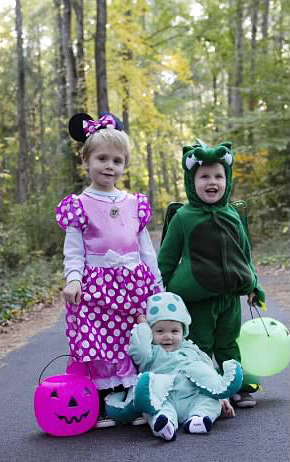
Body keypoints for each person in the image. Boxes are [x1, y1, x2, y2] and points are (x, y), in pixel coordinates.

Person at [55, 112, 163, 428]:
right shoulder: (79, 204)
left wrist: (157, 285)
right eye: (102, 158)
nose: (109, 166)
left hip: (133, 284)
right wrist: (74, 280)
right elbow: (74, 251)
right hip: (96, 287)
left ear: (124, 165)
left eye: (117, 160)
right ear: (86, 160)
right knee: (99, 340)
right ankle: (103, 400)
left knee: (136, 338)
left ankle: (135, 398)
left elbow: (146, 249)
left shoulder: (134, 203)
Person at [158, 140, 266, 409]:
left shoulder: (233, 214)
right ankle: (204, 387)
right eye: (204, 176)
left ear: (227, 179)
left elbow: (244, 254)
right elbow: (167, 258)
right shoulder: (183, 217)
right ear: (191, 180)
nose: (212, 182)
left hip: (229, 297)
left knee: (229, 343)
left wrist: (254, 284)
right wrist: (159, 295)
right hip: (198, 298)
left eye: (218, 175)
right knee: (202, 345)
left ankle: (235, 386)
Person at [125, 292, 237, 442]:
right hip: (165, 397)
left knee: (210, 401)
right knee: (154, 408)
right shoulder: (151, 352)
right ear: (151, 333)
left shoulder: (191, 349)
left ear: (184, 331)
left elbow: (209, 373)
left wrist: (222, 397)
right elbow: (140, 349)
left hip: (193, 396)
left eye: (174, 331)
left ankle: (199, 419)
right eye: (159, 331)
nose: (168, 336)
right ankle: (165, 424)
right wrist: (143, 326)